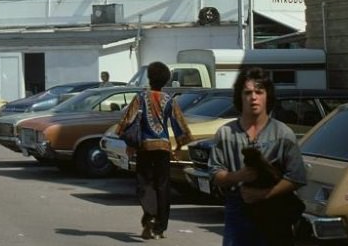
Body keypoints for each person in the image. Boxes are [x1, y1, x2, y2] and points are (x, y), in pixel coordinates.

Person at [209, 67, 305, 246]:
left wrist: (262, 194)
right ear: (240, 96)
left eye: (259, 92)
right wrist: (238, 176)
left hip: (274, 210)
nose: (253, 97)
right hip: (238, 209)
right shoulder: (226, 134)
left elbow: (296, 177)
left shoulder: (283, 133)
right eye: (248, 92)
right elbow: (215, 174)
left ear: (267, 96)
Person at [114, 61, 192, 240]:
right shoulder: (169, 100)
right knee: (163, 186)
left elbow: (127, 121)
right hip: (163, 147)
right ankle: (160, 228)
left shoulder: (141, 98)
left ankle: (149, 215)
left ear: (149, 78)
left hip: (145, 147)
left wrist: (128, 143)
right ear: (165, 80)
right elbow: (180, 124)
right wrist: (179, 145)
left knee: (145, 184)